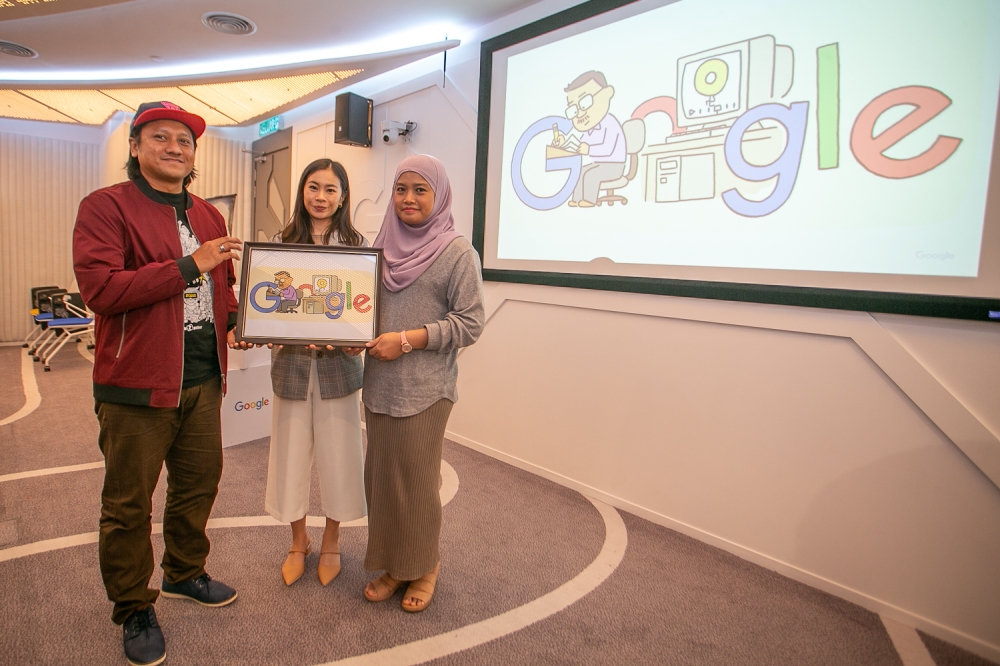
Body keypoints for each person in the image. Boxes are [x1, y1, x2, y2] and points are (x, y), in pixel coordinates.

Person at [73, 101, 242, 666]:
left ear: (195, 155)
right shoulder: (104, 208)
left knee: (199, 485)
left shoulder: (211, 216)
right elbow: (103, 291)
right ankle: (132, 606)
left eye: (186, 141)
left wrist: (244, 319)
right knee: (127, 504)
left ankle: (184, 572)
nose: (175, 147)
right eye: (161, 137)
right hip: (136, 384)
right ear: (136, 146)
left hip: (203, 378)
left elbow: (227, 288)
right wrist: (189, 265)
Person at [361, 154, 485, 612]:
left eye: (420, 190)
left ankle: (425, 565)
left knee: (415, 483)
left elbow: (470, 324)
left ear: (439, 195)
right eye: (401, 189)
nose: (409, 199)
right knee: (382, 483)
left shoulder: (457, 252)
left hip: (426, 390)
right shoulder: (380, 248)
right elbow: (362, 309)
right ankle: (397, 564)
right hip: (378, 387)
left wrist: (408, 341)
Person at [264, 159, 368, 587]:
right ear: (302, 191)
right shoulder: (278, 244)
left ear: (343, 196)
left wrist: (351, 335)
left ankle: (330, 540)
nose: (321, 197)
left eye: (330, 189)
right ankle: (297, 540)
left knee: (340, 455)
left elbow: (362, 312)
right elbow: (267, 306)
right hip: (291, 364)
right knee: (288, 456)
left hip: (338, 368)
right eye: (313, 187)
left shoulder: (359, 248)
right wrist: (265, 327)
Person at [563, 71, 626, 207]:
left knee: (591, 175)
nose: (580, 113)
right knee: (580, 171)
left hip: (615, 165)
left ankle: (590, 200)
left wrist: (589, 149)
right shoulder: (589, 131)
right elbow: (580, 146)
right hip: (599, 164)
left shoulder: (610, 123)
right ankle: (576, 199)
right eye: (573, 110)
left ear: (607, 93)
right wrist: (564, 144)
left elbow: (608, 149)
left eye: (585, 102)